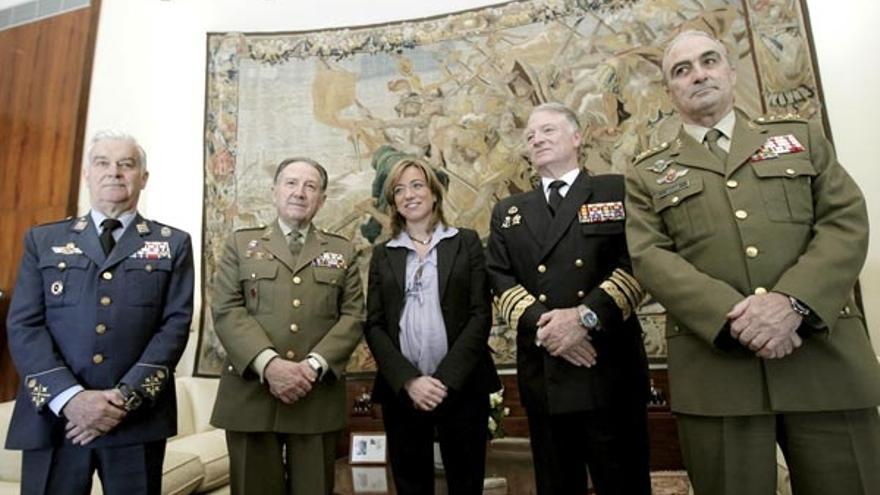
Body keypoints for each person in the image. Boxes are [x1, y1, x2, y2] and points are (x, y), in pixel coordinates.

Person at [625, 30, 880, 494]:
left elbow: (845, 220)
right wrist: (740, 320)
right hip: (720, 373)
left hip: (823, 361)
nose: (698, 74)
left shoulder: (798, 137)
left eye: (708, 61)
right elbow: (650, 255)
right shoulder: (647, 172)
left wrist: (793, 303)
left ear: (730, 71)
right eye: (682, 70)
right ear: (670, 92)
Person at [5, 131, 194, 495]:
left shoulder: (173, 244)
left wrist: (122, 400)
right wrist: (71, 399)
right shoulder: (42, 241)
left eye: (127, 164)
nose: (114, 172)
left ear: (144, 177)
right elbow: (25, 325)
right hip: (55, 419)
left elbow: (175, 326)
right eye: (102, 163)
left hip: (134, 419)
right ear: (87, 174)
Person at [486, 102, 651, 495]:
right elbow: (500, 278)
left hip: (609, 367)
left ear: (577, 137)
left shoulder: (617, 189)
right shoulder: (508, 211)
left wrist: (583, 320)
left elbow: (639, 262)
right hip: (546, 372)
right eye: (530, 136)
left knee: (624, 483)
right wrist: (551, 331)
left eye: (548, 131)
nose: (537, 139)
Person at [210, 157, 364, 495]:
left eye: (311, 186)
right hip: (251, 395)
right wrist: (270, 365)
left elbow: (353, 316)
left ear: (322, 199)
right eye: (291, 183)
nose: (299, 192)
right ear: (274, 191)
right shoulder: (240, 244)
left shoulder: (342, 250)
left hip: (315, 396)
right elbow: (226, 309)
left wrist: (310, 368)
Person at [364, 159, 501, 495]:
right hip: (404, 392)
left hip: (463, 387)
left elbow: (480, 314)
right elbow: (375, 325)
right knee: (411, 485)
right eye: (399, 189)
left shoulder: (465, 242)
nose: (409, 194)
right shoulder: (383, 255)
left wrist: (443, 381)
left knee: (466, 484)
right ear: (393, 202)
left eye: (417, 185)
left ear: (434, 194)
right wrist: (410, 380)